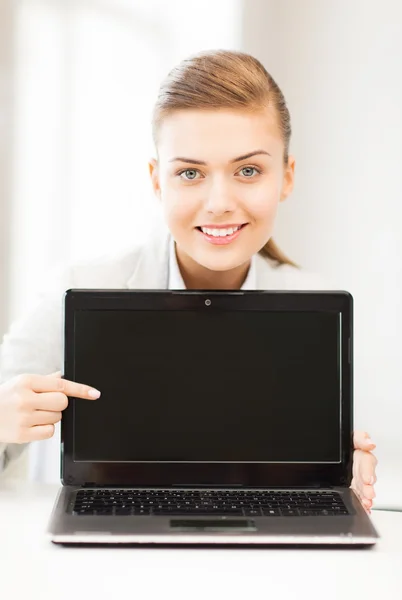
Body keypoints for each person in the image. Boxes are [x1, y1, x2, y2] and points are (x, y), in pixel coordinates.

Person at [0, 49, 377, 511]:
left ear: (286, 177)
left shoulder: (318, 307)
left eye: (248, 170)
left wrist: (342, 471)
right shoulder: (76, 287)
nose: (219, 202)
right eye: (190, 172)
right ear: (158, 181)